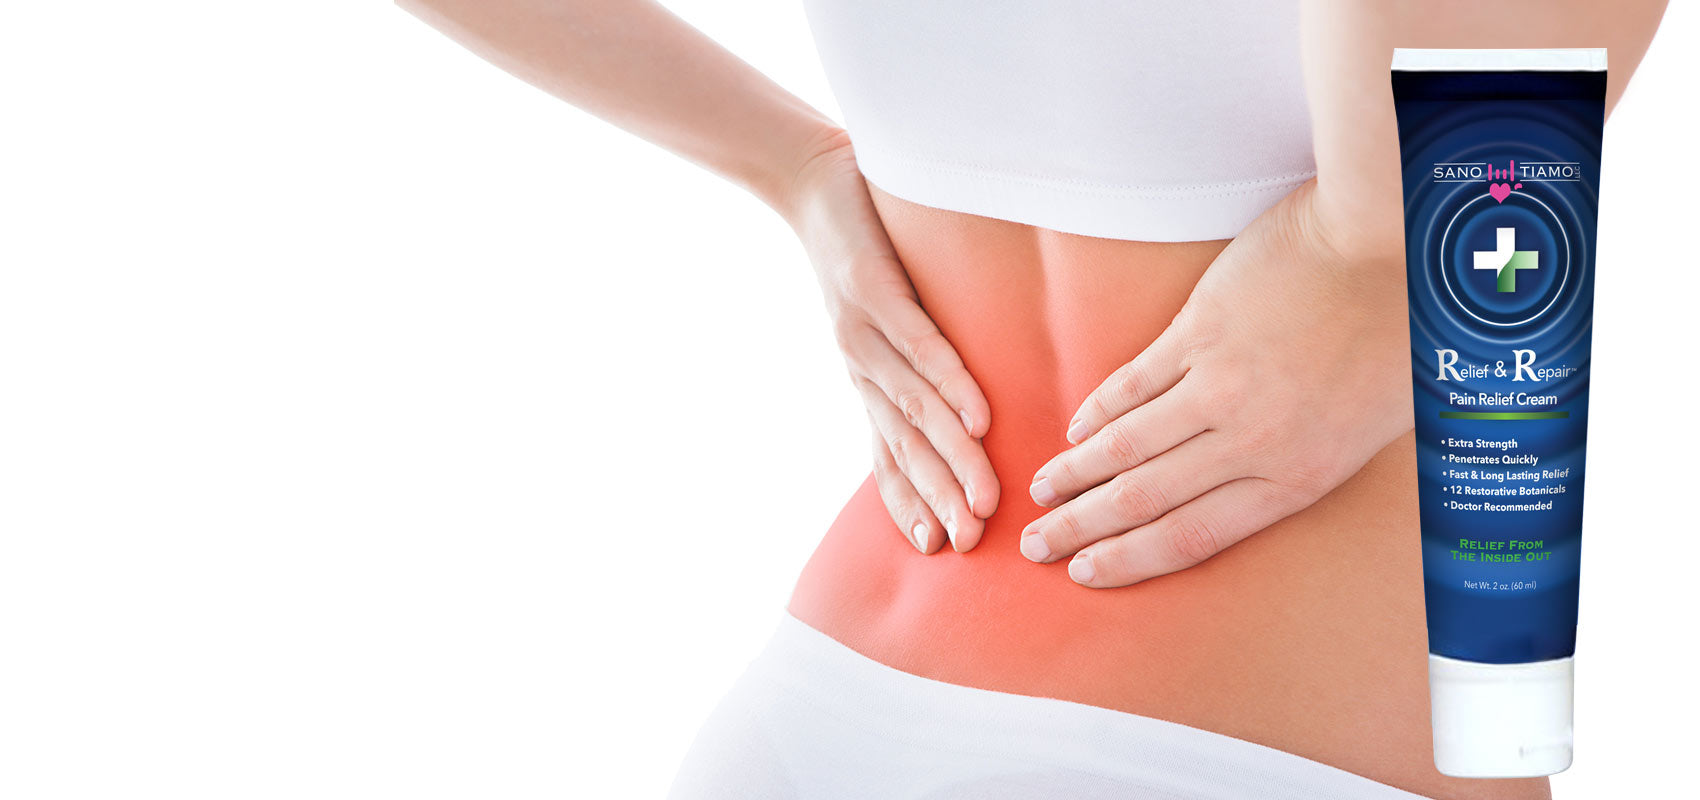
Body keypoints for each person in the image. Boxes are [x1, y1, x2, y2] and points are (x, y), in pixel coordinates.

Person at [398, 1, 1668, 797]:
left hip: (817, 692)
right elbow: (1415, 200)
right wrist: (787, 166)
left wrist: (793, 165)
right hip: (1235, 733)